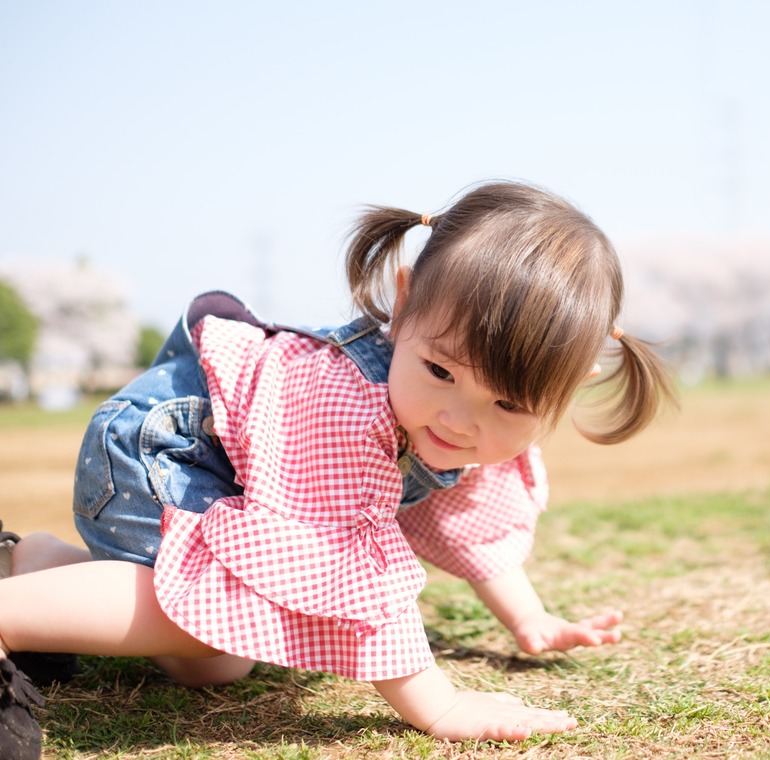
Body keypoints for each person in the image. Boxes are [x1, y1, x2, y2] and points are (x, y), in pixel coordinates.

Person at [0, 180, 675, 753]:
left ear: (567, 387)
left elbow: (465, 518)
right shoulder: (346, 408)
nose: (460, 420)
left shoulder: (442, 424)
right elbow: (348, 563)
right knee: (198, 619)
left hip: (209, 466)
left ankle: (35, 563)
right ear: (404, 302)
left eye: (506, 403)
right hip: (166, 450)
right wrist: (435, 704)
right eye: (439, 370)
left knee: (218, 663)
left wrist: (530, 620)